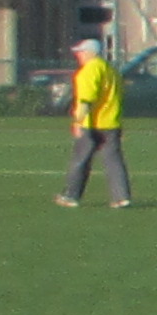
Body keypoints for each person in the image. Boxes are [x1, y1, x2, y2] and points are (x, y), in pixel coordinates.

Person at [54, 37, 131, 208]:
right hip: (111, 123)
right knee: (114, 161)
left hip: (92, 124)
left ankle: (71, 196)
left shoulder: (89, 70)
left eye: (80, 52)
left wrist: (77, 121)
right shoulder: (111, 70)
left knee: (80, 160)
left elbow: (86, 99)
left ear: (90, 53)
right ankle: (121, 197)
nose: (78, 55)